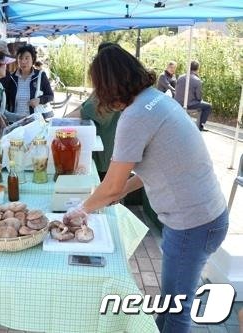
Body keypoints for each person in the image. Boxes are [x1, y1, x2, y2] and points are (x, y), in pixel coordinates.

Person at [65, 44, 228, 333]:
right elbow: (157, 167)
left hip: (193, 224)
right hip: (208, 215)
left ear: (109, 86)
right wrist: (120, 192)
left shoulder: (136, 115)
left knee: (176, 311)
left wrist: (82, 208)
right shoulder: (157, 99)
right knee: (170, 304)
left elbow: (111, 186)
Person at [3, 44, 54, 123]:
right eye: (20, 58)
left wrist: (39, 100)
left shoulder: (40, 75)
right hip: (17, 121)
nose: (23, 61)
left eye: (27, 58)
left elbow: (50, 96)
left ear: (33, 59)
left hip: (35, 121)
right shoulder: (12, 78)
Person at [80, 93, 120, 181]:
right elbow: (82, 108)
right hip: (107, 156)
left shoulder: (110, 92)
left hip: (104, 159)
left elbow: (84, 112)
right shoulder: (103, 90)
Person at [174, 60, 212, 131]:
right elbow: (199, 97)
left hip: (178, 102)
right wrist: (200, 100)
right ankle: (200, 126)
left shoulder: (180, 77)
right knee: (208, 106)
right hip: (189, 104)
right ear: (198, 69)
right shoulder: (197, 80)